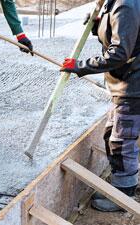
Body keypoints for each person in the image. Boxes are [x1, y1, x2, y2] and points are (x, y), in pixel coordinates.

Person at [61, 0, 140, 212]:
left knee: (122, 141)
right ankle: (122, 182)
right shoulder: (111, 3)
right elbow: (118, 32)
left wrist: (81, 66)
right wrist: (98, 25)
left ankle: (124, 194)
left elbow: (120, 52)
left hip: (133, 85)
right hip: (125, 82)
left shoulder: (126, 4)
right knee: (111, 135)